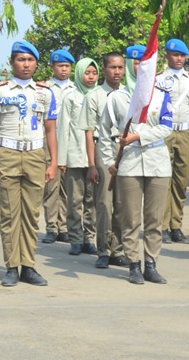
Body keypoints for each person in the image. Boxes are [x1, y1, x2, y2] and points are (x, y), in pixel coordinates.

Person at [0, 40, 58, 287]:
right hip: (9, 154)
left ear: (37, 63)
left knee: (32, 214)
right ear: (12, 62)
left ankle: (28, 266)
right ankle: (11, 267)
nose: (26, 65)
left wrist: (52, 162)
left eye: (30, 60)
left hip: (36, 155)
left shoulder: (45, 92)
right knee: (10, 214)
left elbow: (51, 130)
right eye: (21, 60)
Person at [100, 36, 172, 285]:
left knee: (154, 219)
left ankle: (151, 263)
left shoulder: (162, 96)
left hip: (157, 163)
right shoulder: (117, 97)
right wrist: (110, 160)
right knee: (129, 218)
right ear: (131, 66)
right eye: (137, 63)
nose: (142, 67)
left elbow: (167, 128)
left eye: (147, 63)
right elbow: (104, 132)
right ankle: (133, 264)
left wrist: (138, 136)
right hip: (128, 164)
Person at [84, 51, 130, 270]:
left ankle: (118, 249)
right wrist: (92, 164)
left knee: (122, 203)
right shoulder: (94, 96)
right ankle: (102, 249)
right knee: (104, 203)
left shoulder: (129, 95)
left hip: (125, 149)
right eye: (113, 67)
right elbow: (89, 132)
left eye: (121, 67)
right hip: (103, 148)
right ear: (104, 69)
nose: (117, 72)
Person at [159, 39, 189, 244]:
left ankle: (176, 226)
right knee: (163, 180)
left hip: (185, 133)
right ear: (167, 55)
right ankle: (162, 226)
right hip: (164, 132)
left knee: (180, 181)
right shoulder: (158, 79)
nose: (179, 59)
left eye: (182, 56)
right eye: (175, 55)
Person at [57, 57, 98, 256]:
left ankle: (89, 238)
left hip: (96, 158)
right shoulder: (70, 97)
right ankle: (75, 238)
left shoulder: (101, 95)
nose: (90, 77)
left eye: (94, 73)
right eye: (86, 72)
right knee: (74, 200)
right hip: (74, 154)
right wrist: (61, 159)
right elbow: (63, 128)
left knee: (92, 201)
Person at [42, 49, 74, 244]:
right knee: (51, 186)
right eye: (60, 66)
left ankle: (64, 227)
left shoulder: (76, 88)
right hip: (51, 141)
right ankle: (51, 227)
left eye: (67, 66)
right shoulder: (45, 88)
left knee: (68, 187)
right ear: (52, 67)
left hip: (71, 142)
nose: (63, 69)